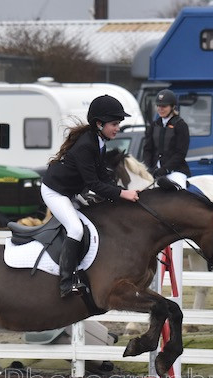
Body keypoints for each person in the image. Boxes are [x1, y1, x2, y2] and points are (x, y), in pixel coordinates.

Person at [42, 94, 141, 298]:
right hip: (55, 192)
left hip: (70, 191)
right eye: (114, 123)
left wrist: (119, 195)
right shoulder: (86, 145)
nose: (117, 128)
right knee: (76, 229)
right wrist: (122, 193)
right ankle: (66, 283)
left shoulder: (99, 141)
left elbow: (102, 175)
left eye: (118, 123)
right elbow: (93, 184)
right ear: (99, 123)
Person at [142, 89, 191, 178]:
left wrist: (166, 169)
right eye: (158, 106)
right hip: (154, 171)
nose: (160, 109)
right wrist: (148, 167)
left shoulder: (181, 125)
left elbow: (180, 153)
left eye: (164, 106)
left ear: (172, 107)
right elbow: (147, 149)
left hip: (175, 171)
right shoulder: (154, 125)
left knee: (178, 188)